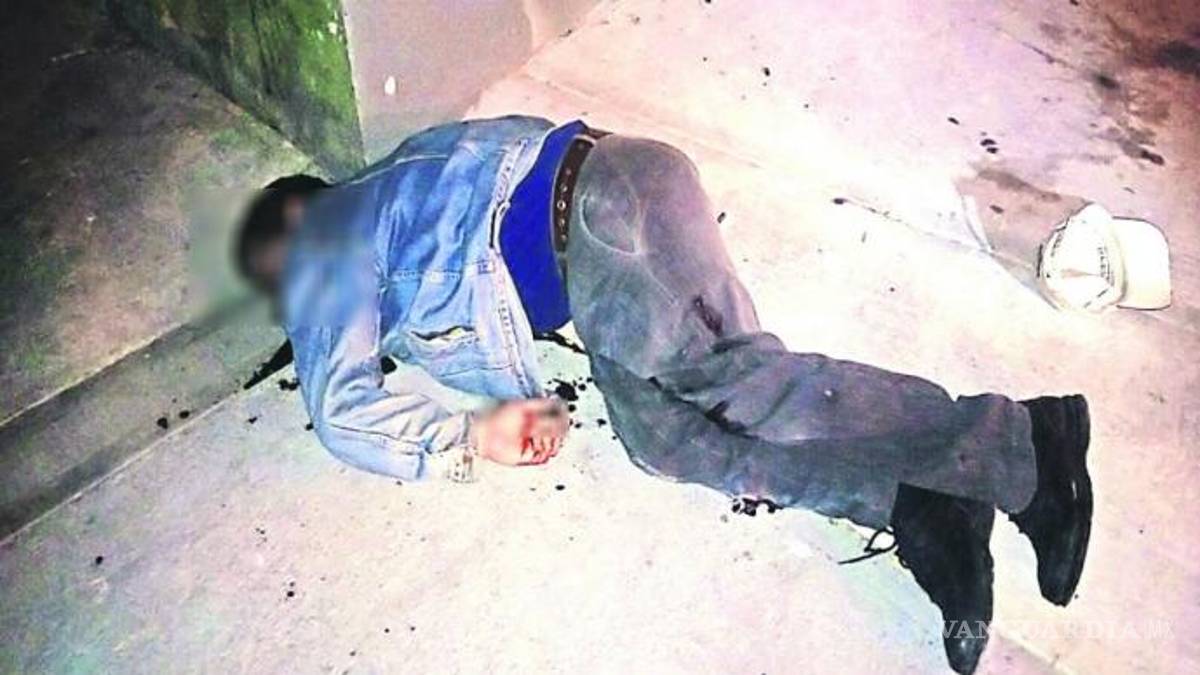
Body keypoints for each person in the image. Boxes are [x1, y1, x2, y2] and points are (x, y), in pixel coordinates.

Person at [235, 116, 1093, 674]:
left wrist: (468, 436)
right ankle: (921, 503)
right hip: (607, 217)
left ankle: (1026, 443)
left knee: (745, 385)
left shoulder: (327, 239)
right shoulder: (399, 188)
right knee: (667, 443)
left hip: (607, 220)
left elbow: (340, 409)